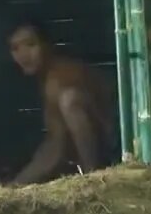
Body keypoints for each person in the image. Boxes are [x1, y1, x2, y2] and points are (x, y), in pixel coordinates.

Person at [6, 19, 116, 185]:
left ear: (46, 45)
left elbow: (56, 149)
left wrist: (17, 185)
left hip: (116, 144)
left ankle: (93, 176)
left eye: (30, 44)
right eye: (15, 48)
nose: (23, 55)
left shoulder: (60, 77)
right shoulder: (45, 79)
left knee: (69, 100)